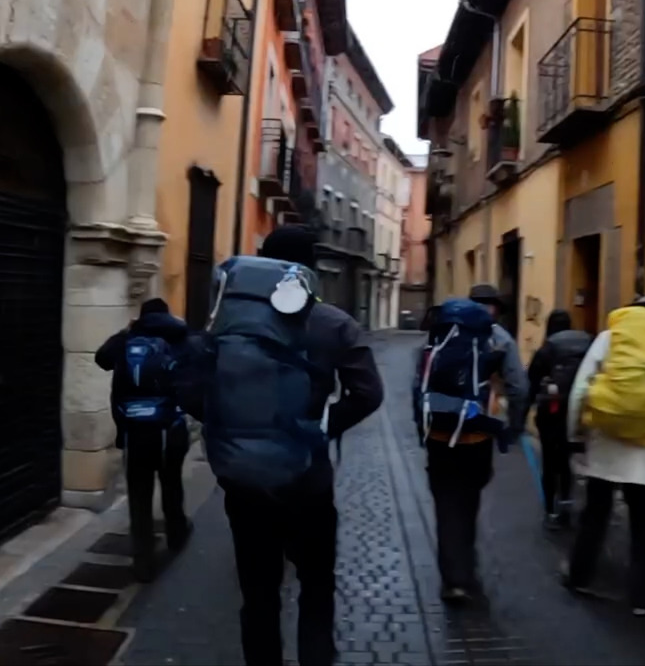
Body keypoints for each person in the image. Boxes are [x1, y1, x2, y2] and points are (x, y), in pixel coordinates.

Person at [218, 225, 383, 666]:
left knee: (258, 593)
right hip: (308, 480)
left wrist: (232, 428)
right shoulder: (334, 323)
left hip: (244, 481)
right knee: (316, 585)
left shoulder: (227, 319)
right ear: (309, 267)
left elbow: (196, 387)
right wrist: (322, 427)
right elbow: (369, 393)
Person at [562, 295, 645, 617]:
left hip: (605, 446)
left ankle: (579, 576)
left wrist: (575, 433)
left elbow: (580, 391)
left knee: (595, 516)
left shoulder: (607, 340)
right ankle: (641, 599)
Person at [415, 284, 529, 603]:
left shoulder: (442, 332)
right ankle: (465, 568)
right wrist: (513, 428)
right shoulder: (500, 338)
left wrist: (422, 428)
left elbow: (421, 382)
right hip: (477, 437)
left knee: (445, 505)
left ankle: (454, 579)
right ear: (496, 309)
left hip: (439, 436)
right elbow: (519, 387)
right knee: (468, 501)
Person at [94, 297, 193, 582]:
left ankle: (143, 561)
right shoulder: (180, 336)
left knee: (139, 495)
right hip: (170, 428)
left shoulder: (128, 339)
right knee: (171, 483)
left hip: (135, 431)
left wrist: (126, 331)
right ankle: (176, 533)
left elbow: (101, 359)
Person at [526, 309, 592, 529]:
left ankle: (550, 511)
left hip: (552, 413)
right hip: (581, 413)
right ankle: (566, 503)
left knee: (550, 462)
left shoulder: (548, 347)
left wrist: (521, 415)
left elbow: (531, 382)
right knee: (566, 460)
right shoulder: (587, 343)